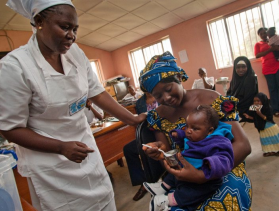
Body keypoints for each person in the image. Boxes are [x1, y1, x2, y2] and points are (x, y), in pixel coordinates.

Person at [0, 1, 145, 211]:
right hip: (49, 166)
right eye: (65, 27)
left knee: (104, 200)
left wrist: (132, 119)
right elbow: (10, 128)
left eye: (75, 29)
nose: (72, 35)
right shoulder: (15, 67)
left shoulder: (75, 53)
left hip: (85, 150)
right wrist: (60, 146)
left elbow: (97, 92)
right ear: (39, 22)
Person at [140, 51, 252, 211]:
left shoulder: (211, 99)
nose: (166, 98)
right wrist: (160, 150)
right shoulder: (157, 116)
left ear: (179, 78)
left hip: (222, 166)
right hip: (185, 173)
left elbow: (243, 145)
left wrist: (204, 175)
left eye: (169, 89)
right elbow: (168, 152)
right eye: (158, 96)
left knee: (222, 203)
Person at [143, 105, 234, 211]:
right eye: (187, 126)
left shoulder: (217, 141)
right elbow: (186, 137)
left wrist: (212, 162)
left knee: (191, 193)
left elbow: (226, 158)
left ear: (210, 131)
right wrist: (179, 134)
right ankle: (163, 187)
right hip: (185, 166)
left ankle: (168, 200)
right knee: (173, 171)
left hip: (205, 179)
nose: (189, 131)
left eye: (195, 128)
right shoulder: (196, 135)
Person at [123, 92, 158, 201]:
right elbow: (140, 125)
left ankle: (153, 181)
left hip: (163, 132)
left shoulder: (161, 95)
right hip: (148, 133)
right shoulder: (140, 102)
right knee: (128, 149)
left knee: (149, 152)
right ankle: (144, 182)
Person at [243, 92, 279, 157]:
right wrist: (249, 117)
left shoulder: (268, 108)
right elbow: (256, 118)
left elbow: (268, 118)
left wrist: (260, 113)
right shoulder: (255, 108)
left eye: (258, 101)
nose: (256, 103)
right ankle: (270, 151)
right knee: (266, 140)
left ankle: (276, 150)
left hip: (269, 127)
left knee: (273, 139)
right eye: (254, 101)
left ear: (263, 101)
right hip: (262, 128)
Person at [254, 27, 279, 117]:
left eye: (265, 32)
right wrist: (270, 50)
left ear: (267, 33)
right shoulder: (258, 44)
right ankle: (276, 110)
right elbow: (257, 55)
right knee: (272, 89)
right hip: (267, 69)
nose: (264, 35)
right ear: (259, 36)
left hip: (277, 66)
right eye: (261, 34)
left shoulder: (274, 39)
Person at [226, 56, 258, 122]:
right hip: (238, 105)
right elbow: (229, 92)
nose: (240, 70)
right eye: (238, 67)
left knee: (254, 110)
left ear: (248, 67)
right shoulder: (234, 79)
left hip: (248, 105)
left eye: (243, 67)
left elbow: (248, 98)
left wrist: (233, 105)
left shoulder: (251, 78)